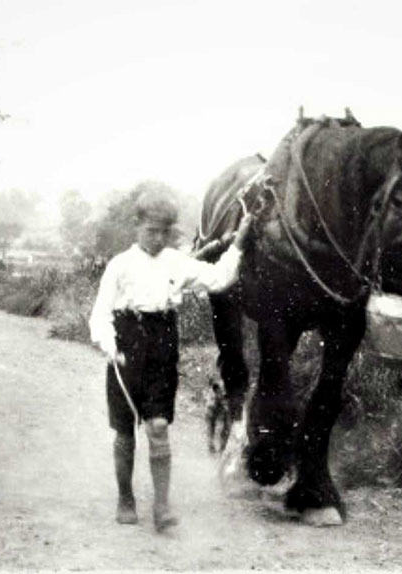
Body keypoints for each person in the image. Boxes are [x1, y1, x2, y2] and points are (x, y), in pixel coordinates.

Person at [88, 187, 252, 532]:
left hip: (163, 343)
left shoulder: (176, 262)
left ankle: (162, 507)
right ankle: (125, 498)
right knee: (124, 432)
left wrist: (237, 245)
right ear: (137, 227)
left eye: (165, 232)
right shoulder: (120, 265)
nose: (158, 238)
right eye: (151, 231)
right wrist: (108, 344)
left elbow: (219, 279)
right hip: (126, 345)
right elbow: (100, 314)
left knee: (158, 427)